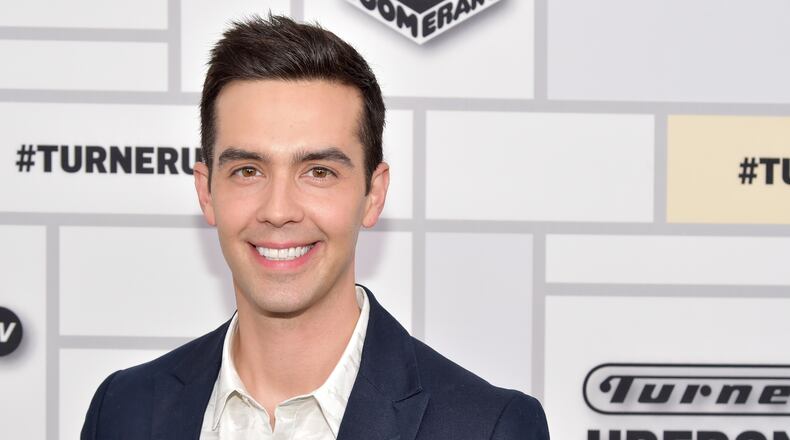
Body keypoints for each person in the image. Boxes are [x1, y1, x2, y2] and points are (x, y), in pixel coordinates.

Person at [81, 14, 550, 440]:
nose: (279, 209)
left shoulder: (486, 427)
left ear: (373, 193)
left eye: (318, 172)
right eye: (248, 170)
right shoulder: (124, 410)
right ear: (207, 191)